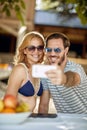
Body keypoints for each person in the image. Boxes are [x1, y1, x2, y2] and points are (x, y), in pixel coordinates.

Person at [38, 32, 87, 114]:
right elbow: (44, 105)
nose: (52, 53)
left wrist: (63, 79)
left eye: (57, 50)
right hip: (64, 121)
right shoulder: (46, 71)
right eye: (49, 50)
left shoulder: (76, 68)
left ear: (66, 50)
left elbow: (73, 78)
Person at [5, 31, 45, 112]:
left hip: (30, 119)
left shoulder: (40, 71)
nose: (36, 51)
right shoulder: (20, 70)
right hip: (16, 118)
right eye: (31, 48)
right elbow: (8, 101)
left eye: (40, 48)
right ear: (24, 50)